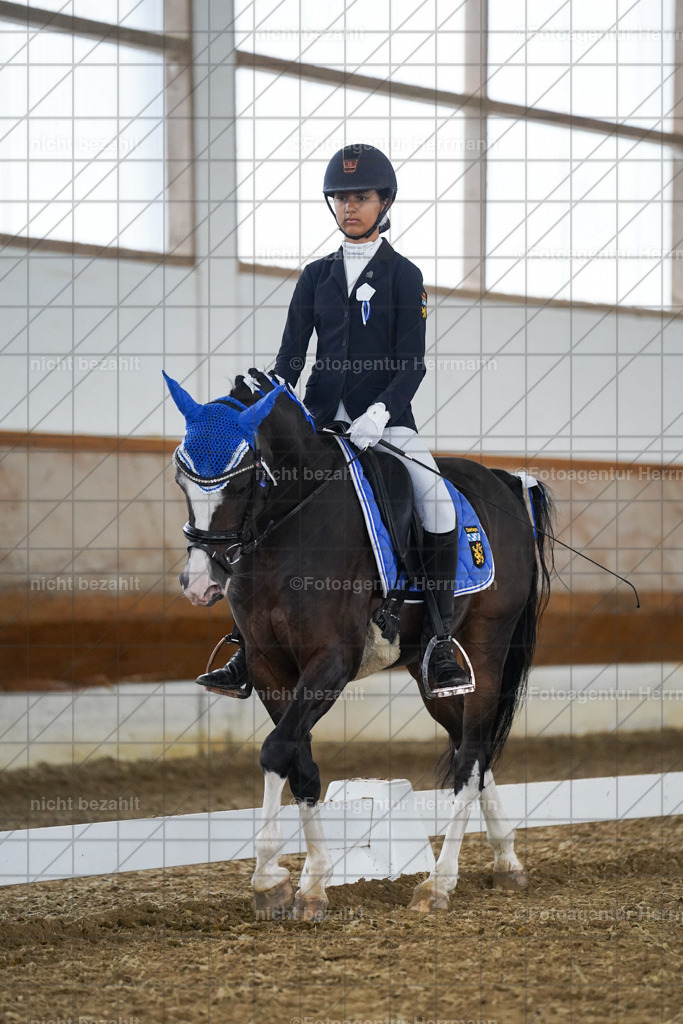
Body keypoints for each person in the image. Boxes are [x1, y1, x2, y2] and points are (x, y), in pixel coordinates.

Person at [197, 143, 469, 695]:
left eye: (361, 197)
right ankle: (244, 644)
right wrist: (268, 397)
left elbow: (411, 365)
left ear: (383, 201)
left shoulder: (403, 276)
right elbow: (291, 359)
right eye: (342, 198)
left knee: (437, 501)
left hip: (385, 425)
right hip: (319, 424)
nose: (350, 207)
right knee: (259, 500)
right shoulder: (315, 276)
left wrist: (379, 413)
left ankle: (439, 638)